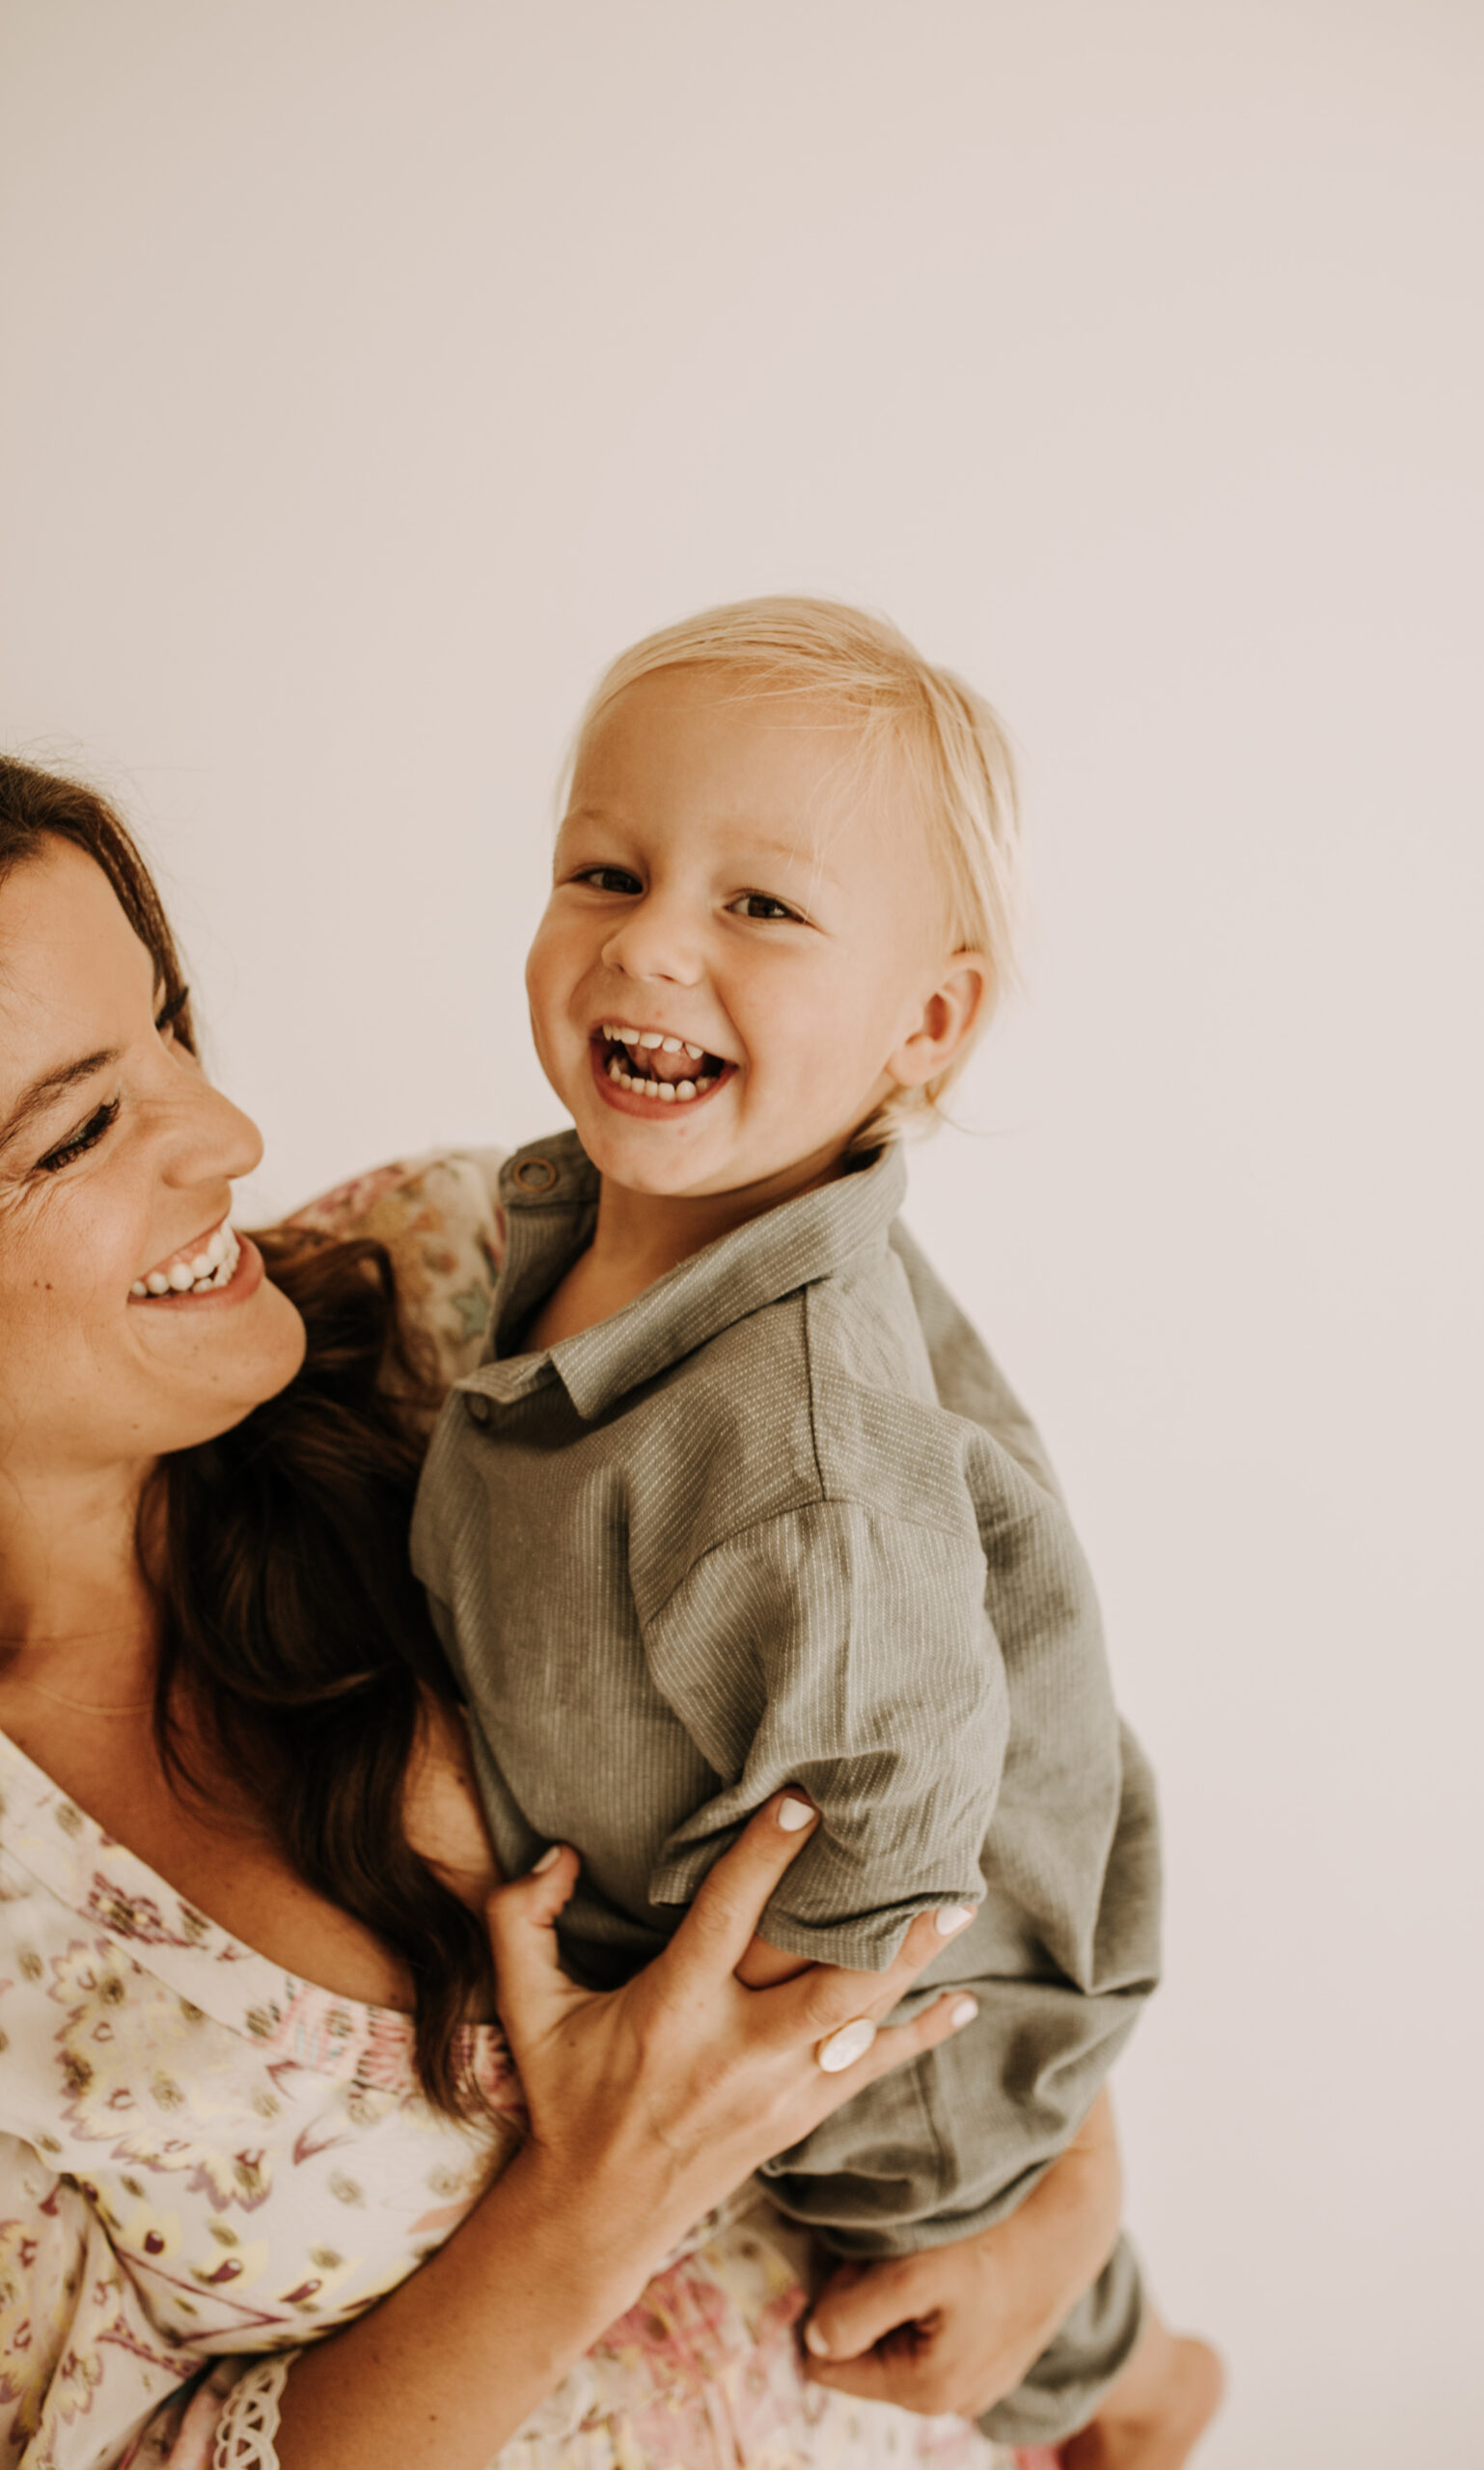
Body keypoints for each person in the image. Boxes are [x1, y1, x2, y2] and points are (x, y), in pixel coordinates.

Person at [0, 755, 1139, 2470]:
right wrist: (599, 2195)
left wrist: (1063, 2193)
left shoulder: (484, 1287)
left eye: (171, 1026)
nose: (227, 1136)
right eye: (79, 1127)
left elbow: (985, 1675)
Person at [410, 599, 1222, 2464]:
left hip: (871, 2026)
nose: (654, 942)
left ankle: (1140, 2387)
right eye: (604, 871)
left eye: (760, 908)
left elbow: (899, 1823)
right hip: (752, 1833)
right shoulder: (582, 1221)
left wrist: (751, 2068)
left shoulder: (794, 1451)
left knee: (940, 2270)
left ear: (923, 1023)